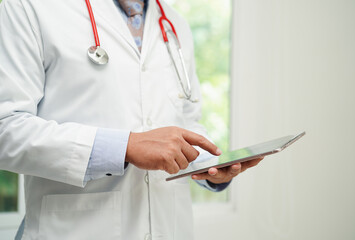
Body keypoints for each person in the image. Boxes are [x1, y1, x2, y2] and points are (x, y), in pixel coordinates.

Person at [0, 0, 262, 239]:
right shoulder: (28, 6)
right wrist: (125, 147)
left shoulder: (174, 24)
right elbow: (7, 128)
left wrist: (210, 166)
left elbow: (187, 120)